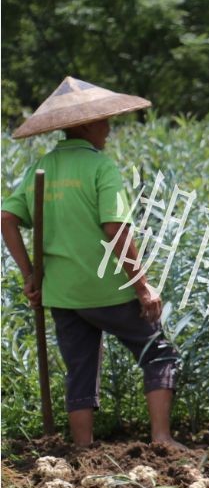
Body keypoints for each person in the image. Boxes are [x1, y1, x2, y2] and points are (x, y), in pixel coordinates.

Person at [1, 77, 182, 448]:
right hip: (107, 290)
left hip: (63, 293)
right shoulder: (102, 168)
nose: (109, 129)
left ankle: (83, 450)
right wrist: (142, 285)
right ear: (85, 124)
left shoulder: (44, 166)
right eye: (104, 121)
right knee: (158, 353)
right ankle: (161, 439)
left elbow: (7, 218)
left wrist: (30, 274)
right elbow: (116, 229)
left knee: (80, 368)